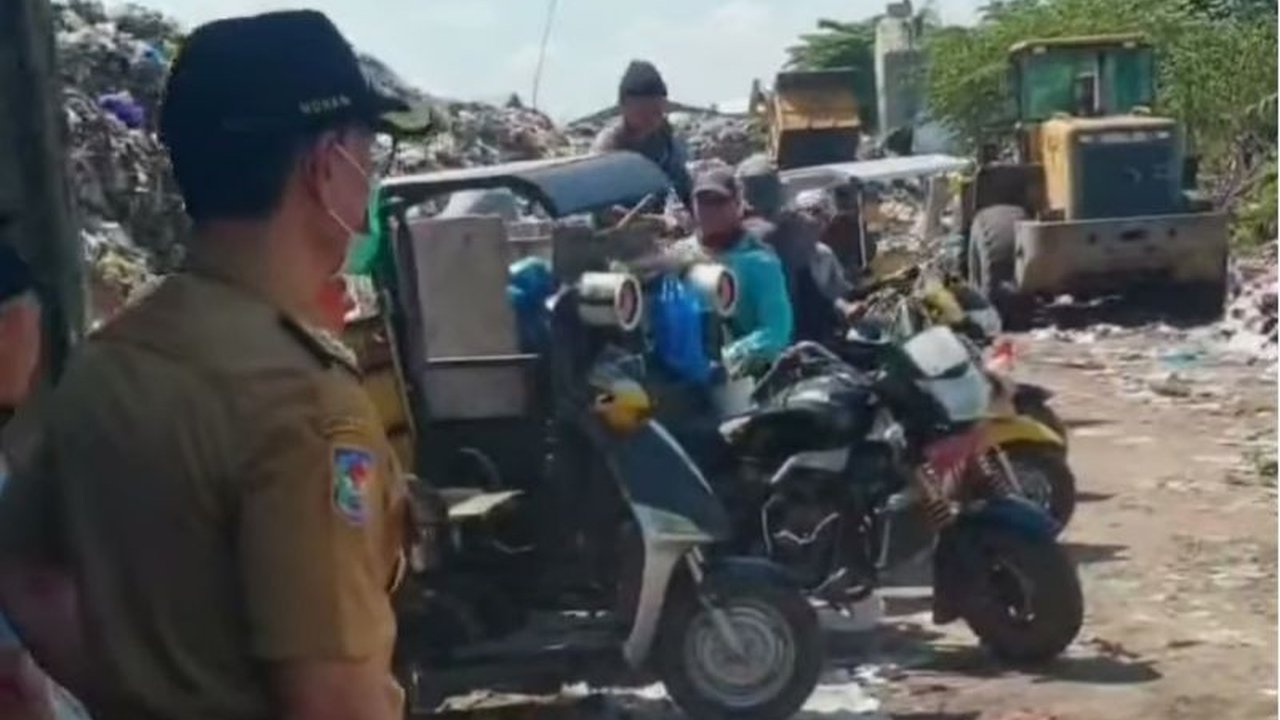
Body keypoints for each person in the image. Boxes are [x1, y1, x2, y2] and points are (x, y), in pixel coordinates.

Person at [0, 10, 432, 720]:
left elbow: (25, 573)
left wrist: (134, 689)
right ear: (327, 166)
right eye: (367, 151)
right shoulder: (305, 404)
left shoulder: (110, 358)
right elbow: (334, 701)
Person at [680, 167, 793, 374]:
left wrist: (729, 357)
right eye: (703, 201)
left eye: (719, 202)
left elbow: (776, 330)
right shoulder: (680, 254)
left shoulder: (760, 261)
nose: (710, 210)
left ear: (738, 204)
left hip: (745, 378)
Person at [736, 157, 860, 343]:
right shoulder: (754, 234)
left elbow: (810, 288)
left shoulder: (798, 235)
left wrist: (842, 307)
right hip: (766, 334)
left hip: (800, 329)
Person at [591, 60, 694, 211]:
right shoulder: (608, 147)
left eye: (657, 111)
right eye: (642, 112)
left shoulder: (666, 141)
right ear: (623, 106)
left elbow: (683, 186)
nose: (651, 119)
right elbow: (599, 199)